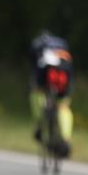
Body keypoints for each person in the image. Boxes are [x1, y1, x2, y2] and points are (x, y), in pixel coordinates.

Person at [29, 29, 74, 157]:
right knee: (63, 106)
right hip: (65, 67)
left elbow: (34, 70)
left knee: (36, 92)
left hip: (44, 67)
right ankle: (66, 139)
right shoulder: (62, 44)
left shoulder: (36, 45)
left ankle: (39, 125)